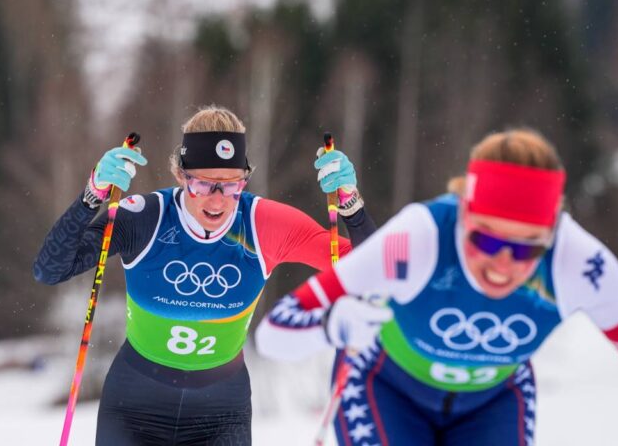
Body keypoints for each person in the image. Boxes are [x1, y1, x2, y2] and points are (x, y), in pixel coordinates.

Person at [255, 128, 618, 446]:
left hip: (494, 401)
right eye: (486, 241)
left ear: (551, 234)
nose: (503, 264)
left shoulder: (580, 264)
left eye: (526, 248)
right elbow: (274, 333)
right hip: (386, 388)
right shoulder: (420, 236)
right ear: (463, 214)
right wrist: (332, 324)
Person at [33, 106, 376, 445]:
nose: (217, 200)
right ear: (181, 176)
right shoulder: (144, 218)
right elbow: (50, 269)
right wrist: (93, 194)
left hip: (221, 415)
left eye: (231, 186)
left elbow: (372, 274)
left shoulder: (265, 225)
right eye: (203, 184)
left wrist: (351, 206)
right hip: (134, 409)